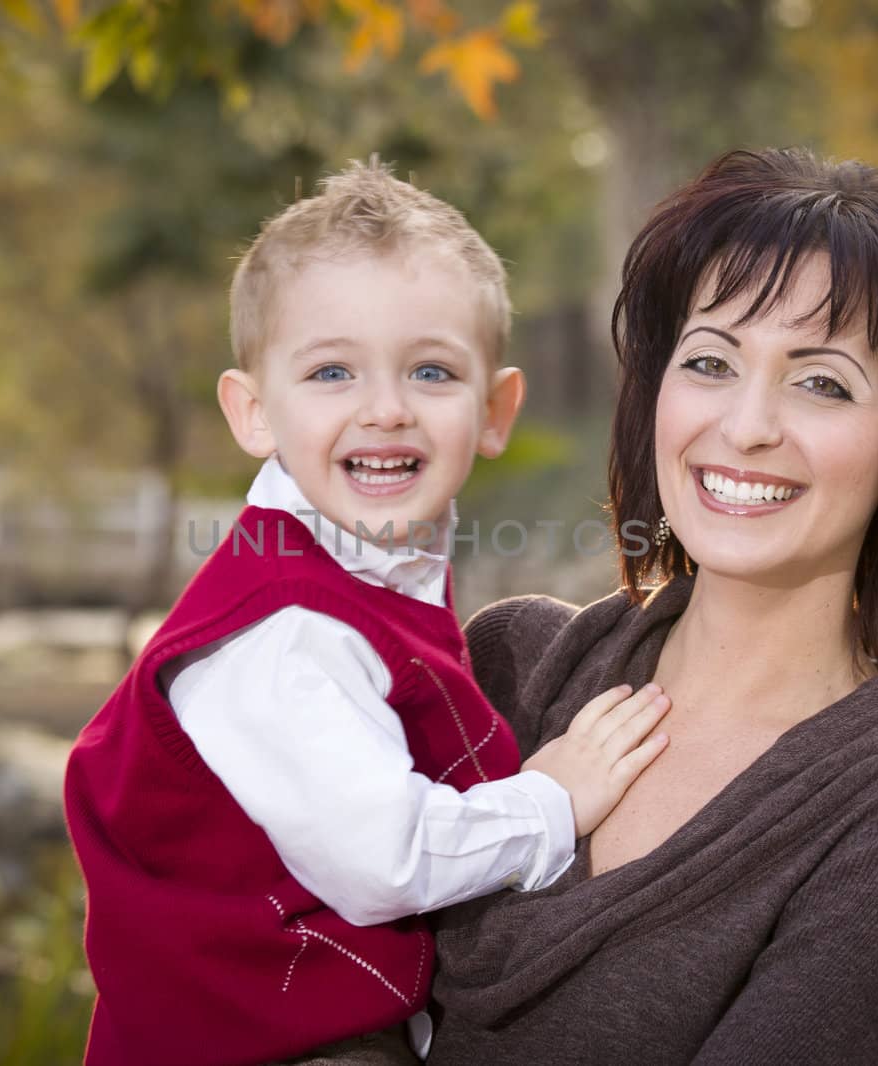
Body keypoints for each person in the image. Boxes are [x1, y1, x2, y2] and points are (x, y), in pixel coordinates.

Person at [427, 148, 878, 1064]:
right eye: (711, 361)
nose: (747, 424)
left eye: (821, 381)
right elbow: (295, 974)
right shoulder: (510, 664)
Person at [63, 161, 671, 1066]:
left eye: (430, 371)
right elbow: (383, 859)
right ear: (254, 412)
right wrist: (553, 801)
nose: (385, 409)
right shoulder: (286, 636)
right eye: (332, 372)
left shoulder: (380, 564)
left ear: (494, 409)